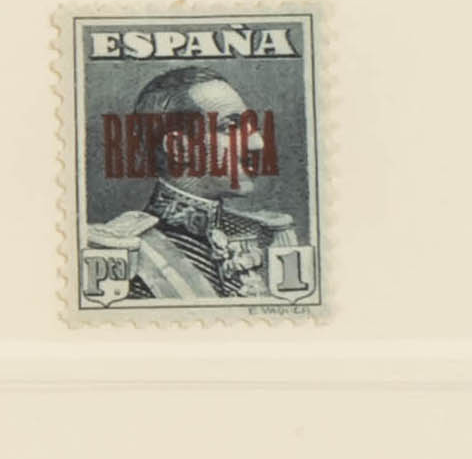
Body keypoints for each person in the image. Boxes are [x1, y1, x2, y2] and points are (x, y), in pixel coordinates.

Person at [81, 64, 317, 306]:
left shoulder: (266, 236)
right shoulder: (121, 253)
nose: (257, 143)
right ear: (179, 148)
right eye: (231, 127)